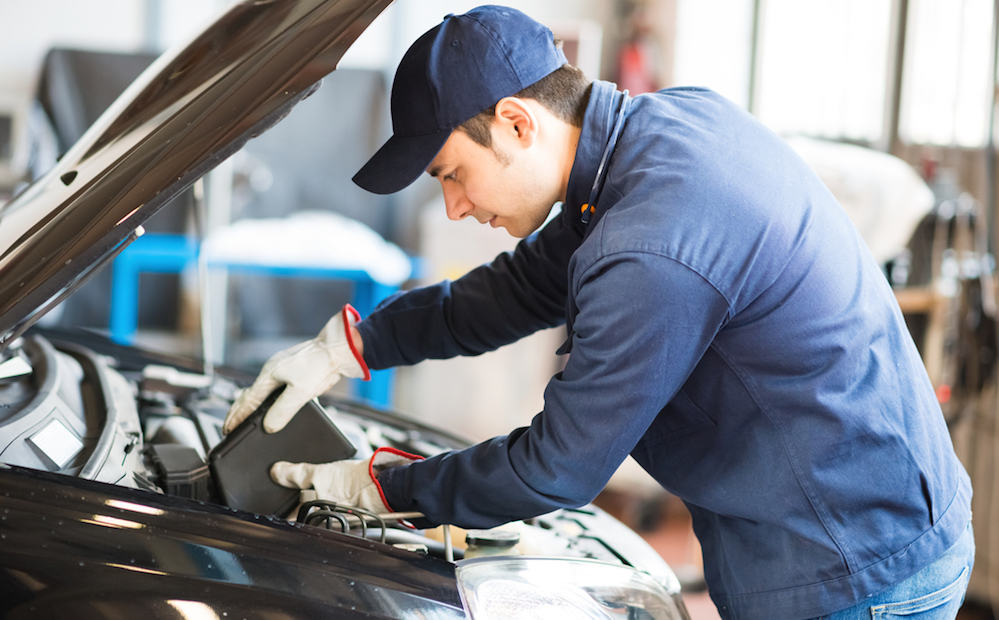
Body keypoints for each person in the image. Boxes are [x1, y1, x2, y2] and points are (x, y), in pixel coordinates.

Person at [223, 6, 974, 619]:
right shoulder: (650, 141)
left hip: (855, 568)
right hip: (849, 524)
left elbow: (556, 468)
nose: (452, 206)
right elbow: (517, 291)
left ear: (517, 123)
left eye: (453, 173)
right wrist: (346, 347)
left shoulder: (653, 241)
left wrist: (381, 487)